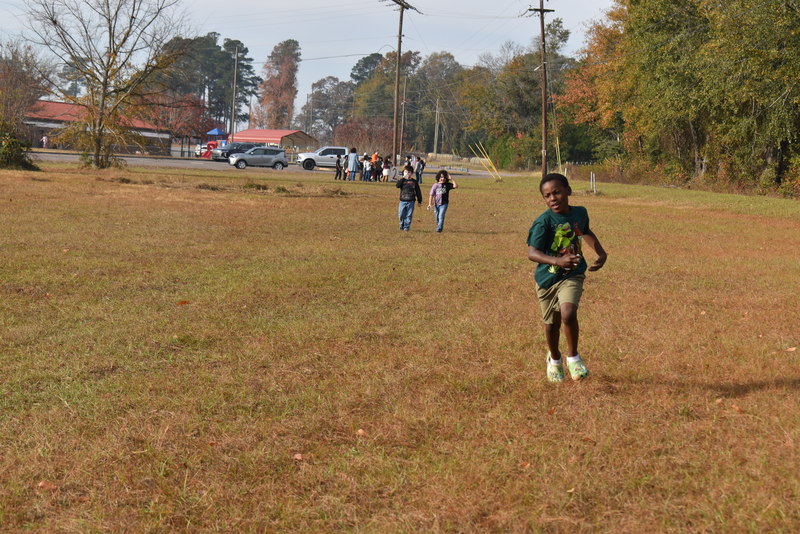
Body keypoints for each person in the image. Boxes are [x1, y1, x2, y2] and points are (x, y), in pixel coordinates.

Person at [527, 173, 607, 383]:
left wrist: (601, 252)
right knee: (551, 325)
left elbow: (584, 231)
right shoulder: (543, 222)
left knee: (568, 312)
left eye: (557, 192)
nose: (553, 198)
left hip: (573, 274)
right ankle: (554, 359)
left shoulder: (580, 213)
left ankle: (573, 358)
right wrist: (557, 261)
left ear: (568, 191)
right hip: (547, 279)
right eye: (547, 195)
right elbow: (532, 253)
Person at [396, 164, 422, 231]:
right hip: (403, 200)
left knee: (409, 215)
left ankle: (406, 227)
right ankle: (402, 224)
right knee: (401, 214)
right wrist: (403, 178)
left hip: (411, 201)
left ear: (411, 173)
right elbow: (397, 186)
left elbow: (418, 191)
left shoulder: (414, 182)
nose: (407, 173)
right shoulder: (402, 181)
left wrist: (419, 200)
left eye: (408, 172)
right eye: (405, 172)